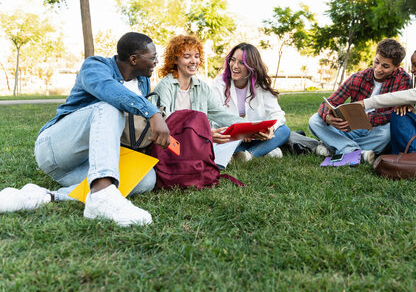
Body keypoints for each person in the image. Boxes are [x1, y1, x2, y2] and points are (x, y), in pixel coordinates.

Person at [33, 32, 170, 226]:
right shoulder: (95, 67)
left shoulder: (143, 81)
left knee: (147, 179)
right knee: (108, 106)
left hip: (89, 163)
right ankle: (102, 194)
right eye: (152, 57)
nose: (156, 61)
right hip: (56, 150)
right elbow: (110, 91)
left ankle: (50, 196)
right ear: (133, 59)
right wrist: (152, 112)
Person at [308, 38, 412, 163]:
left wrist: (368, 119)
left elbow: (397, 113)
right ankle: (353, 151)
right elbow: (329, 102)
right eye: (376, 62)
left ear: (396, 67)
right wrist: (328, 117)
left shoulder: (404, 79)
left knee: (388, 133)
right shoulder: (358, 77)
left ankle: (336, 146)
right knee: (315, 120)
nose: (378, 69)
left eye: (385, 66)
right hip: (350, 128)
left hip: (377, 130)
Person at [152, 35, 244, 167]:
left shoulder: (201, 87)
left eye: (196, 56)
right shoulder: (165, 87)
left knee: (228, 135)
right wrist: (204, 136)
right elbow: (165, 127)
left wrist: (251, 127)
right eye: (187, 56)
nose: (194, 61)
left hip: (197, 143)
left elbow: (222, 114)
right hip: (172, 145)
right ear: (175, 60)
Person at [212, 43, 291, 161]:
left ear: (251, 66)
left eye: (241, 63)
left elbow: (277, 114)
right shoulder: (220, 84)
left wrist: (271, 130)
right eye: (232, 60)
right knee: (218, 146)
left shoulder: (260, 85)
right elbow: (214, 116)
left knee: (284, 130)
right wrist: (242, 131)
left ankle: (249, 155)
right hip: (232, 137)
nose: (235, 66)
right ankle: (266, 150)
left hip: (257, 135)